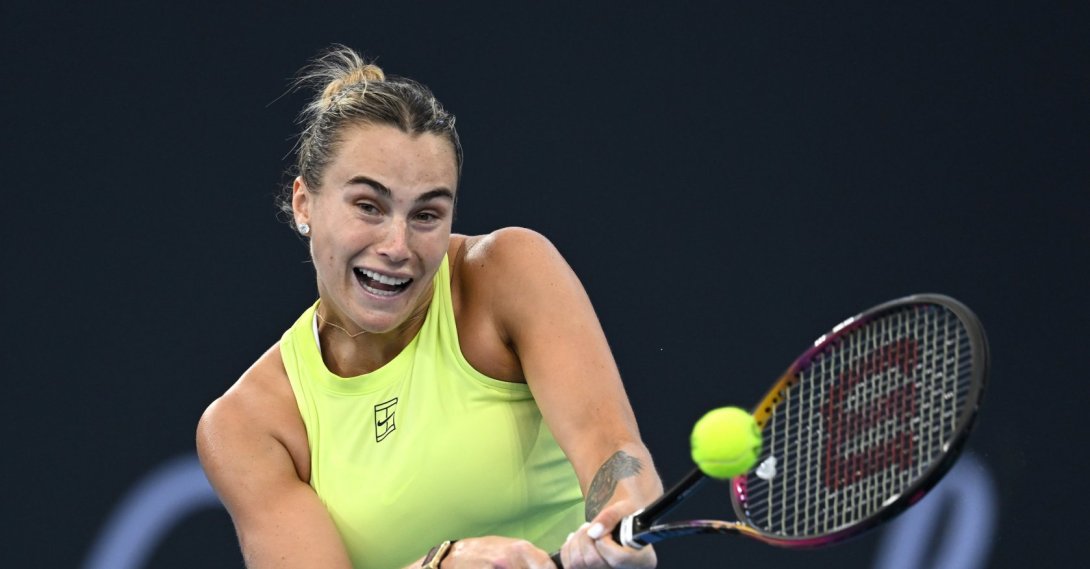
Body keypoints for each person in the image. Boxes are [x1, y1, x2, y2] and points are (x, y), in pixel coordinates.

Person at [196, 45, 663, 569]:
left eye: (427, 214)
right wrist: (440, 564)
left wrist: (621, 512)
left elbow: (611, 448)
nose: (398, 245)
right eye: (368, 206)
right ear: (305, 203)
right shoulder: (249, 425)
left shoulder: (509, 272)